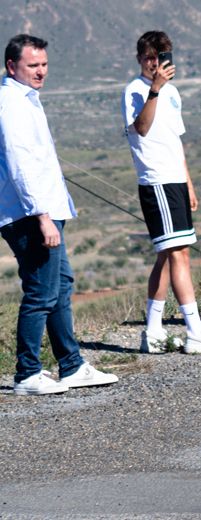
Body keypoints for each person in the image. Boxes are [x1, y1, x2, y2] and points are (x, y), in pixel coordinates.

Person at [0, 34, 119, 395]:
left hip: (43, 210)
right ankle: (27, 373)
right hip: (31, 214)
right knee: (41, 293)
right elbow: (21, 164)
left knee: (60, 285)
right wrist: (42, 216)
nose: (41, 72)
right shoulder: (11, 103)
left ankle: (71, 365)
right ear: (11, 67)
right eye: (32, 65)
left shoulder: (25, 100)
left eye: (44, 65)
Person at [122, 31, 201, 353]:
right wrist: (154, 89)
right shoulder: (135, 90)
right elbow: (142, 128)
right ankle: (196, 332)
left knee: (167, 253)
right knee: (179, 253)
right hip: (156, 181)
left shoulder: (172, 93)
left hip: (174, 179)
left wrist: (188, 183)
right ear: (139, 59)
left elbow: (175, 141)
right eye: (148, 58)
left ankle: (153, 331)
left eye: (160, 57)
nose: (154, 63)